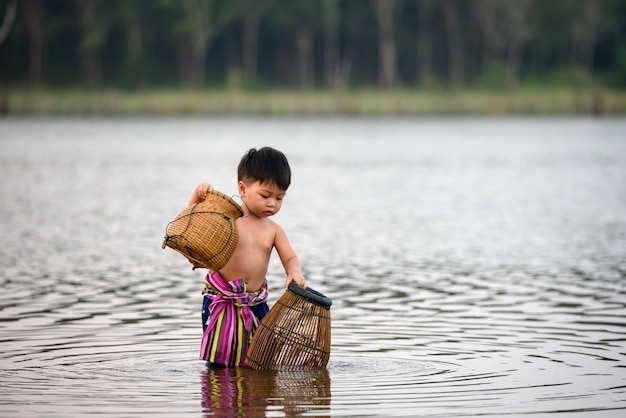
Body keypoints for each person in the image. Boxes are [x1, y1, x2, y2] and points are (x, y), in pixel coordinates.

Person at [188, 147, 307, 367]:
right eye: (265, 195)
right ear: (243, 188)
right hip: (221, 300)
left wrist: (294, 272)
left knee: (258, 359)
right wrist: (197, 194)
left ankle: (255, 398)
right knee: (219, 360)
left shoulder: (274, 230)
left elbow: (290, 258)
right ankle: (220, 396)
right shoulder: (227, 219)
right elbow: (193, 223)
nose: (272, 203)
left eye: (280, 198)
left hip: (255, 303)